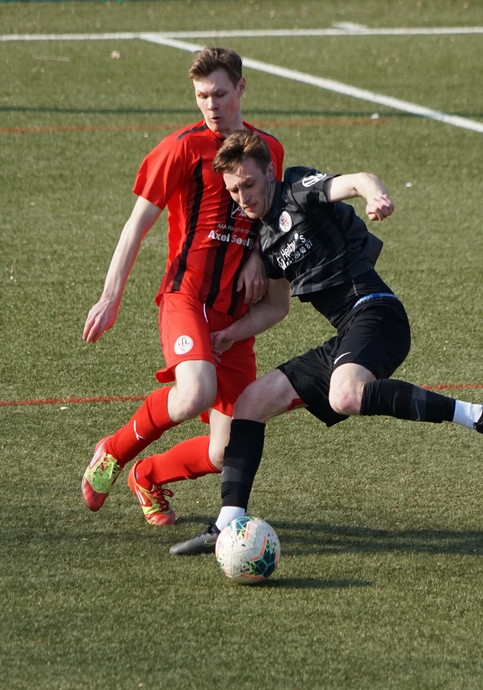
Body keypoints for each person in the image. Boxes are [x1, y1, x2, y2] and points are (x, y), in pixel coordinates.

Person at [169, 130, 483, 555]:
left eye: (249, 184)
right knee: (250, 402)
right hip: (347, 331)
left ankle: (480, 414)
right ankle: (228, 522)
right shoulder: (266, 239)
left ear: (270, 172)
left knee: (346, 395)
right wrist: (228, 335)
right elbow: (276, 307)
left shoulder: (297, 190)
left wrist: (375, 196)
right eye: (233, 190)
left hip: (378, 313)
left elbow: (355, 181)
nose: (242, 197)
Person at [81, 47, 285, 526]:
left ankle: (148, 476)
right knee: (195, 392)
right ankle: (114, 450)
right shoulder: (182, 148)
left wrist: (256, 257)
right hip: (186, 296)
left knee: (225, 450)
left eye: (219, 94)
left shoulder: (269, 150)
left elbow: (271, 214)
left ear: (241, 88)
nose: (211, 105)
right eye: (201, 96)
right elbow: (136, 226)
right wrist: (110, 297)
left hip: (236, 314)